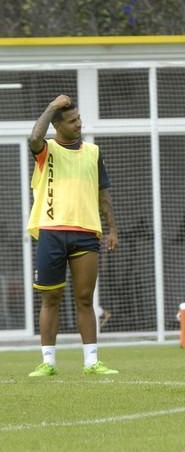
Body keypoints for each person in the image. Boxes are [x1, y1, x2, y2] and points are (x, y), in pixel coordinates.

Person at [27, 94, 119, 377]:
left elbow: (103, 193)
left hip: (86, 233)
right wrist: (51, 106)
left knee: (84, 298)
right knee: (51, 298)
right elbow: (33, 138)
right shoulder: (47, 149)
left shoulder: (93, 152)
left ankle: (92, 362)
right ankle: (48, 362)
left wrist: (112, 227)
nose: (79, 124)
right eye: (72, 120)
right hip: (51, 232)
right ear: (58, 125)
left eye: (79, 118)